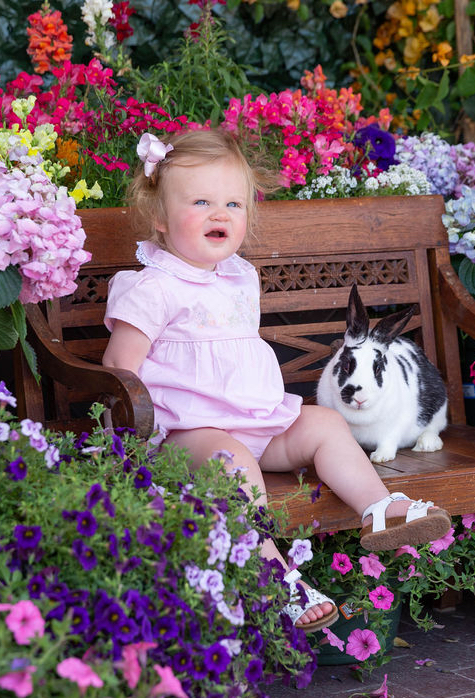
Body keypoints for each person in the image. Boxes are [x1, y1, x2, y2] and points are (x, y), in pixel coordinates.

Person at [102, 129, 452, 633]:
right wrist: (129, 445)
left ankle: (380, 508)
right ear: (159, 216)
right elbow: (122, 371)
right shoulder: (150, 287)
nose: (219, 214)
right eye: (200, 202)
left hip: (257, 422)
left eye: (233, 203)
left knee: (327, 423)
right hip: (188, 436)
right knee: (233, 460)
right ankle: (272, 573)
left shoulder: (239, 276)